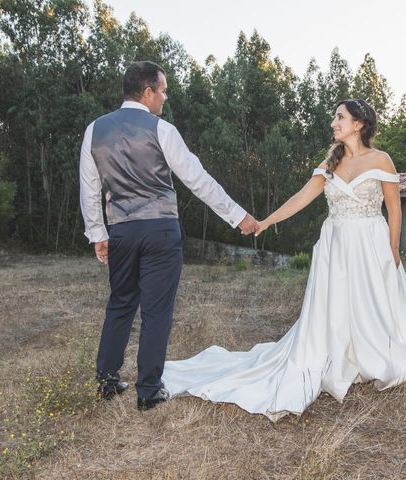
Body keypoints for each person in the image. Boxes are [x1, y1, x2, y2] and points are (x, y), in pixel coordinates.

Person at [161, 98, 406, 421]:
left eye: (340, 117)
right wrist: (267, 220)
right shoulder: (330, 162)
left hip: (372, 243)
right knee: (335, 306)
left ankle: (379, 356)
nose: (334, 122)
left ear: (359, 124)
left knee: (377, 306)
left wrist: (392, 252)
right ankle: (340, 358)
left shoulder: (381, 160)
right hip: (336, 245)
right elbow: (301, 198)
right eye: (335, 117)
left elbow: (395, 210)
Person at [79, 61, 259, 411]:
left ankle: (107, 382)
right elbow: (199, 180)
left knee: (120, 303)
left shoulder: (94, 130)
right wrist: (238, 217)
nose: (165, 96)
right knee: (157, 311)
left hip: (121, 231)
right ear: (147, 92)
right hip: (160, 230)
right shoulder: (162, 129)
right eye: (162, 90)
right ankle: (147, 391)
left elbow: (89, 189)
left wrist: (98, 234)